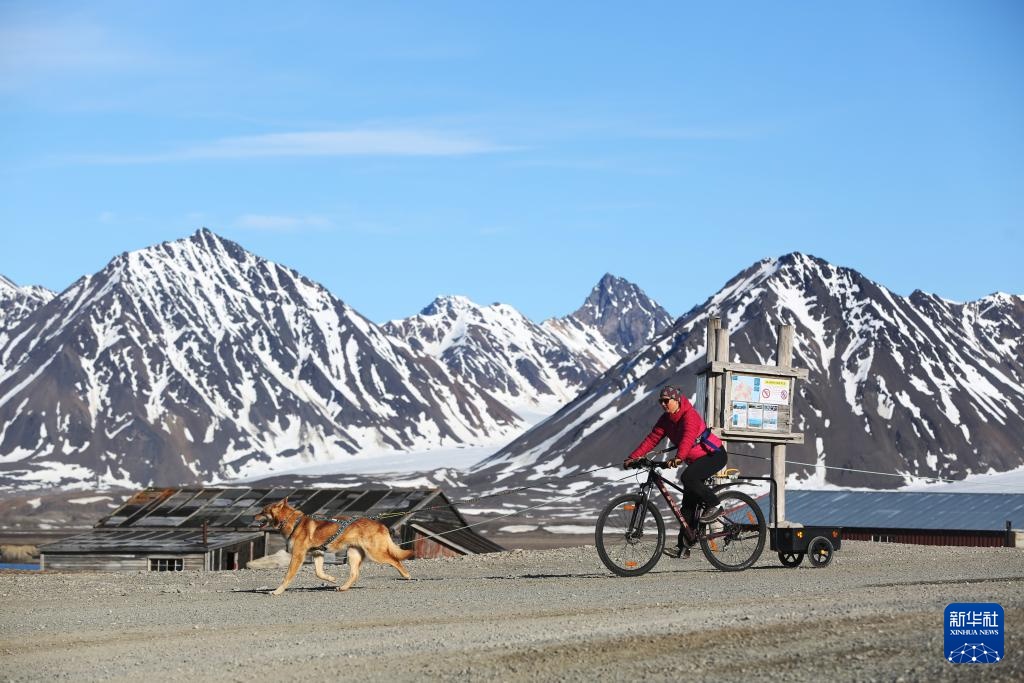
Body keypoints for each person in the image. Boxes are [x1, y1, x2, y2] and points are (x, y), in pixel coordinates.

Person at [623, 385, 727, 559]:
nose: (663, 404)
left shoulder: (689, 415)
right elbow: (652, 439)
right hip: (695, 461)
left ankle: (713, 505)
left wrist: (679, 457)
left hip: (714, 456)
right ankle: (683, 547)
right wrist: (633, 457)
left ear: (677, 400)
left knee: (688, 477)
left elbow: (687, 438)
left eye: (666, 401)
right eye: (661, 401)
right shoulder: (666, 420)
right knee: (687, 504)